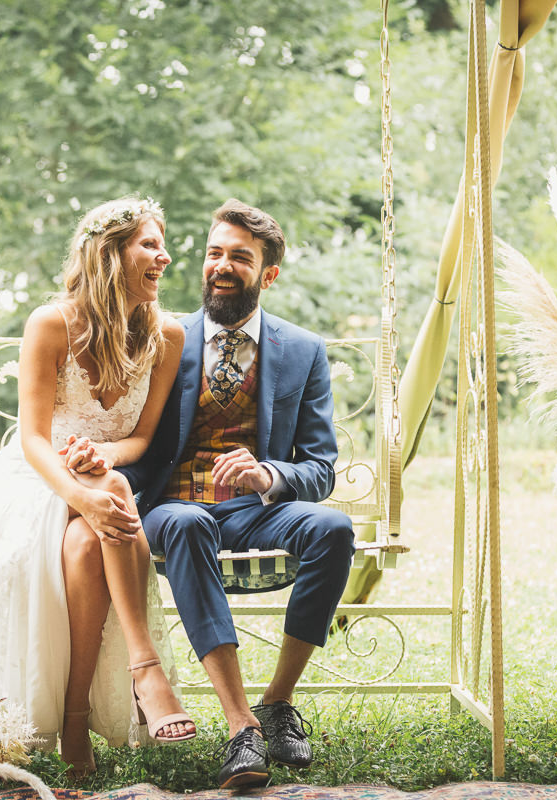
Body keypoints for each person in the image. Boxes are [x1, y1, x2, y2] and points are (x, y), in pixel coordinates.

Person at [117, 199, 356, 789]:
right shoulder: (162, 336)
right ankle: (239, 725)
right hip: (174, 508)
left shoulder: (302, 350)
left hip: (256, 513)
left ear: (268, 274)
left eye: (239, 258)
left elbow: (321, 466)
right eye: (214, 253)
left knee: (333, 529)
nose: (221, 267)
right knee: (186, 524)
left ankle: (277, 704)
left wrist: (270, 475)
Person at [0, 196, 194, 778]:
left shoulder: (168, 336)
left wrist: (101, 457)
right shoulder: (50, 323)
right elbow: (34, 439)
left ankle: (75, 715)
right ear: (108, 253)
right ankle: (144, 671)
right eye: (150, 244)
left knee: (92, 530)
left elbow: (139, 439)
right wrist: (80, 492)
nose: (164, 257)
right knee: (105, 491)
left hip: (102, 481)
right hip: (33, 480)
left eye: (162, 245)